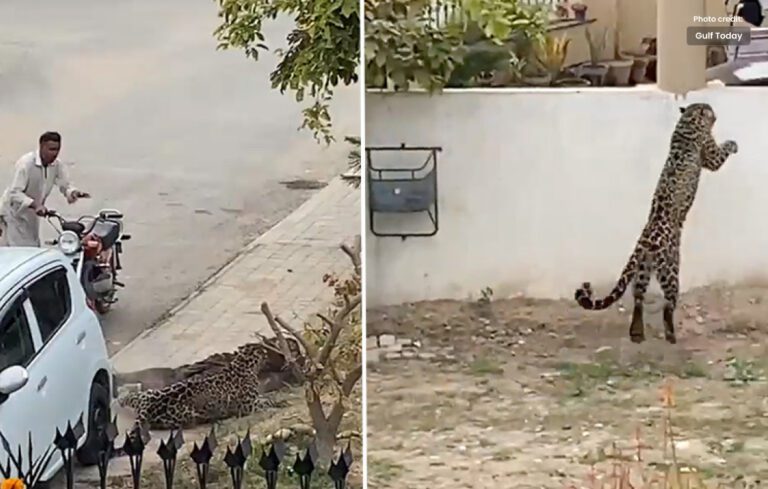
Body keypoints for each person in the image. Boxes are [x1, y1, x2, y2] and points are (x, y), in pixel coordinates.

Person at [0, 131, 90, 247]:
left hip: (31, 216)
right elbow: (14, 192)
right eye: (51, 149)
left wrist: (73, 192)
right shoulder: (26, 164)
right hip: (14, 215)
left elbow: (65, 184)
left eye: (57, 149)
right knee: (19, 251)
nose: (55, 154)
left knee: (33, 248)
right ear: (42, 147)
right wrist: (35, 205)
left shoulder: (56, 165)